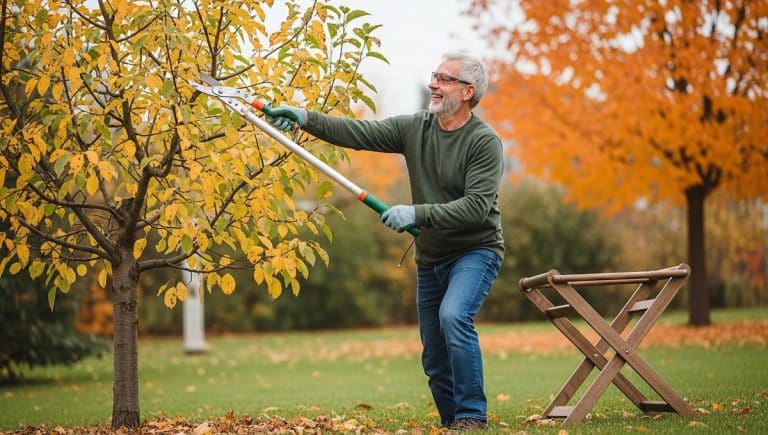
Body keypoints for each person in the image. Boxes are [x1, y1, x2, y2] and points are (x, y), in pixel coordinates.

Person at [264, 52, 505, 431]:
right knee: (434, 356)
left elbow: (476, 208)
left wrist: (417, 213)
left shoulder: (484, 142)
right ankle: (452, 422)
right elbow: (358, 133)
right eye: (434, 75)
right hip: (432, 256)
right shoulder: (416, 128)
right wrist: (304, 117)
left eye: (444, 79)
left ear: (468, 91)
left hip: (475, 251)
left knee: (454, 317)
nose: (433, 83)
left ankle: (472, 416)